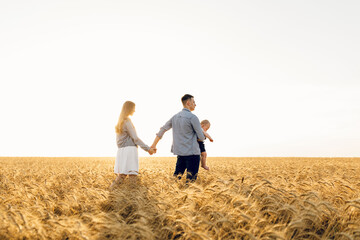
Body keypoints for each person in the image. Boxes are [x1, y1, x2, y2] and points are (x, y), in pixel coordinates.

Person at [151, 94, 205, 182]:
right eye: (194, 102)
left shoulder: (175, 117)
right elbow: (201, 137)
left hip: (180, 154)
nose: (195, 104)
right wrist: (203, 135)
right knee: (191, 183)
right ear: (188, 103)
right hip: (192, 154)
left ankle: (168, 195)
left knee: (175, 180)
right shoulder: (193, 117)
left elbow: (163, 129)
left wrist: (154, 145)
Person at [111, 101, 155, 188]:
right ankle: (133, 196)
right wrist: (148, 149)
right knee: (132, 174)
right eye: (133, 108)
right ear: (129, 109)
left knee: (122, 175)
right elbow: (135, 138)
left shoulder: (120, 122)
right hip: (129, 150)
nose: (134, 110)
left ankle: (111, 191)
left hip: (121, 150)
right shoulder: (127, 121)